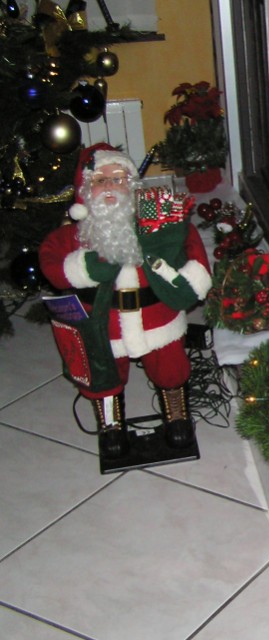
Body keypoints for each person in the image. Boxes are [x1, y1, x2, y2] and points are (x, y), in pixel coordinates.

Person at [39, 143, 212, 459]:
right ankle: (111, 424)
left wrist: (190, 280)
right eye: (100, 180)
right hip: (104, 327)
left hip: (157, 320)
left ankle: (176, 414)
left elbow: (190, 244)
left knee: (170, 368)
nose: (109, 186)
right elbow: (50, 259)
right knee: (104, 376)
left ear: (131, 185)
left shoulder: (157, 222)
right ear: (86, 189)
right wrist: (85, 267)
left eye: (117, 178)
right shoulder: (75, 236)